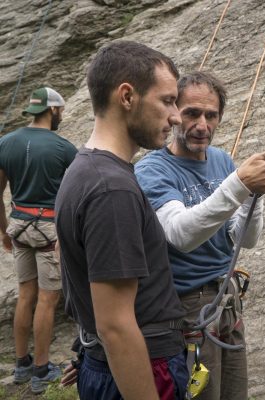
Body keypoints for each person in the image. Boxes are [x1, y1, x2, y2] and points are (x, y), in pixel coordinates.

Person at [134, 71, 265, 400]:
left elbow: (243, 240)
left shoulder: (221, 160)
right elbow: (180, 234)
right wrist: (240, 185)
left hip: (227, 298)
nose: (202, 125)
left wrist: (253, 198)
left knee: (234, 392)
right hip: (187, 309)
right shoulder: (152, 170)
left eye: (211, 115)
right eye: (191, 113)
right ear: (174, 112)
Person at [55, 41, 189, 400]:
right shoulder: (111, 189)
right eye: (167, 101)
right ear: (127, 96)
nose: (176, 117)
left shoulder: (84, 170)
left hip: (112, 366)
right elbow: (115, 326)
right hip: (142, 367)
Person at [0, 87, 76, 394]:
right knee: (47, 298)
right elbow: (76, 193)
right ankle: (42, 370)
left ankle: (21, 364)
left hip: (18, 227)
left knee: (25, 293)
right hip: (48, 230)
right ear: (53, 111)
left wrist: (3, 230)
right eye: (61, 111)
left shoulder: (5, 142)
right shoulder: (64, 148)